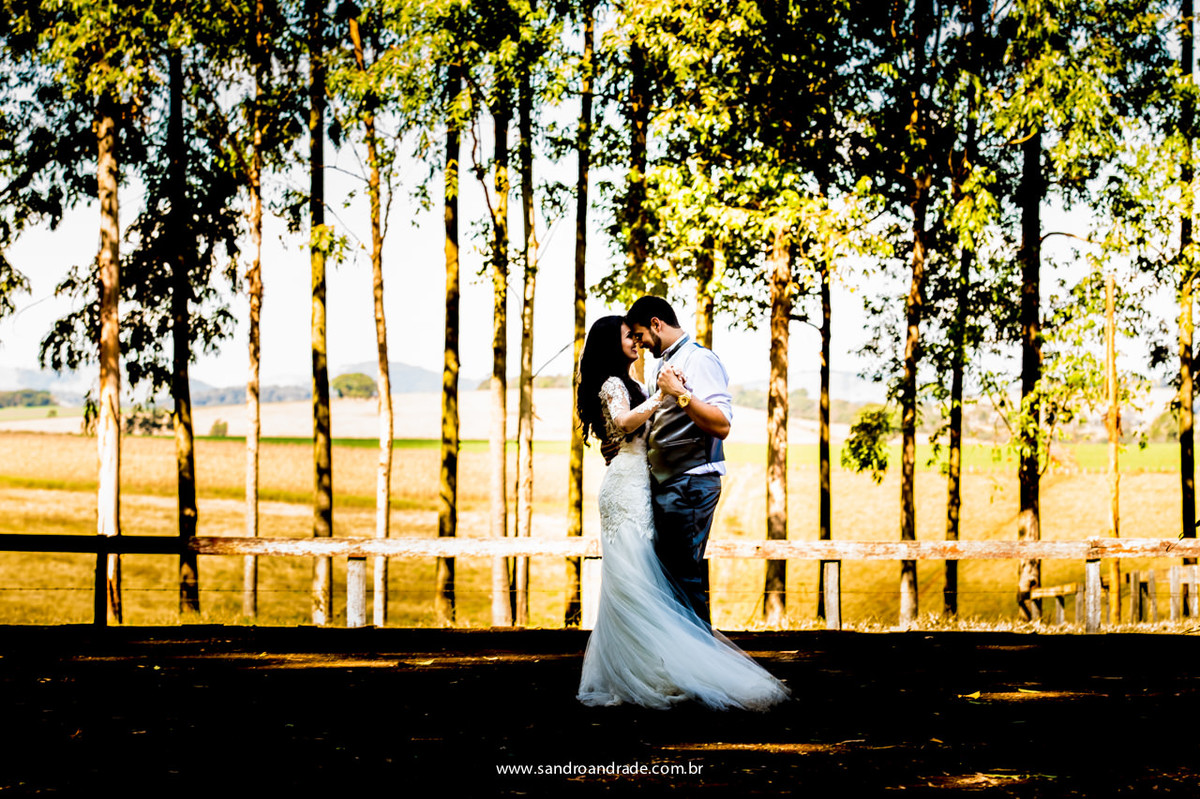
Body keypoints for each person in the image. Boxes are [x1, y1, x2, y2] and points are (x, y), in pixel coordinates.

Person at [575, 314, 789, 710]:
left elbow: (641, 429)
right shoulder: (615, 383)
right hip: (627, 487)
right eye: (628, 336)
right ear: (611, 343)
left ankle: (659, 664)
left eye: (637, 334)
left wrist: (657, 404)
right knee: (634, 578)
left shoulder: (641, 378)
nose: (636, 342)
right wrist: (661, 396)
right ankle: (645, 670)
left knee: (652, 577)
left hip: (646, 481)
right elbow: (623, 422)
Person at [624, 295, 729, 628]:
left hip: (692, 482)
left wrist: (681, 393)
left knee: (684, 577)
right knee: (671, 579)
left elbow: (722, 424)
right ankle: (683, 654)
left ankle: (703, 657)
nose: (639, 343)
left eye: (640, 335)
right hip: (669, 483)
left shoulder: (700, 359)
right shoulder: (661, 364)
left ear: (656, 324)